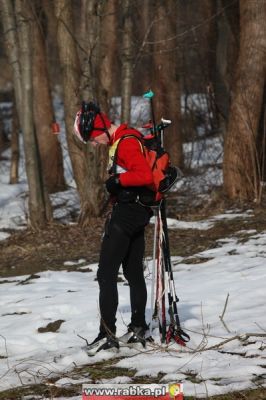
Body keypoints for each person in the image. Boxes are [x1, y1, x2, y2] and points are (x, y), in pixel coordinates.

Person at [74, 102, 154, 352]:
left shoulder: (126, 142)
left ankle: (107, 334)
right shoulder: (122, 138)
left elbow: (144, 176)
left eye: (92, 138)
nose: (93, 144)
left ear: (101, 127)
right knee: (133, 273)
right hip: (138, 212)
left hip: (127, 214)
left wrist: (117, 180)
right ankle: (138, 327)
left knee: (106, 274)